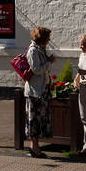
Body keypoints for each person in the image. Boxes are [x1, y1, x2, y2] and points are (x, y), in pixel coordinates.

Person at [23, 26, 55, 158]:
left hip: (42, 88)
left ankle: (34, 147)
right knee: (34, 119)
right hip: (35, 91)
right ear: (42, 38)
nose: (49, 40)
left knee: (40, 119)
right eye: (47, 37)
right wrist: (49, 62)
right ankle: (35, 149)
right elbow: (36, 70)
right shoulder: (33, 51)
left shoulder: (41, 49)